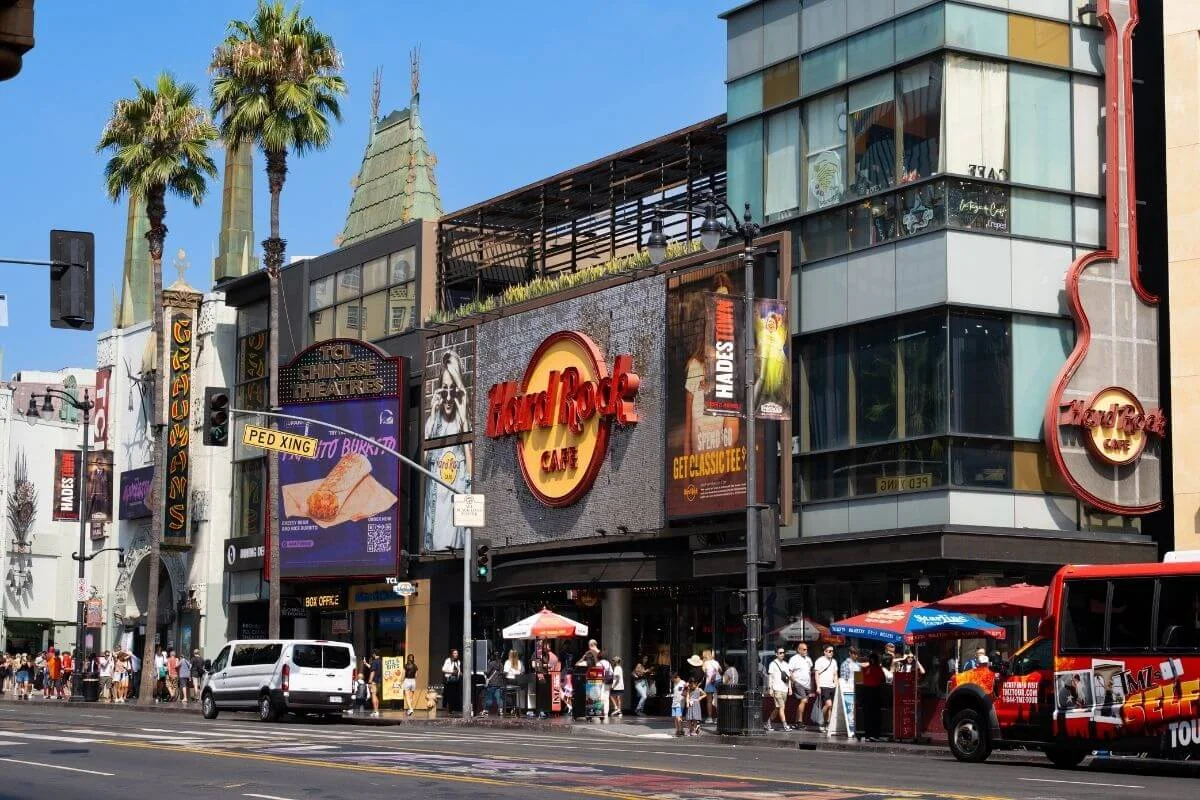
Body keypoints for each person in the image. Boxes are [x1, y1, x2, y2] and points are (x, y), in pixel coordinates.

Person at [859, 652, 886, 741]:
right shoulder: (878, 668)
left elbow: (859, 680)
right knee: (876, 714)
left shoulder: (864, 669)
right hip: (875, 692)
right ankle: (875, 735)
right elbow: (883, 679)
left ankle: (867, 735)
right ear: (876, 660)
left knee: (867, 715)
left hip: (865, 692)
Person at [788, 642, 814, 730]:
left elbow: (810, 672)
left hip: (807, 685)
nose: (806, 651)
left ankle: (796, 722)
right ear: (799, 650)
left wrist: (811, 687)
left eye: (806, 649)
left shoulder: (808, 659)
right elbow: (790, 671)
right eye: (804, 649)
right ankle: (800, 722)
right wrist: (794, 682)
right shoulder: (794, 659)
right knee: (803, 700)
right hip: (798, 683)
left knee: (803, 702)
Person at [765, 647, 792, 732]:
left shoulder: (786, 664)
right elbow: (770, 677)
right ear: (776, 654)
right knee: (782, 707)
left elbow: (788, 678)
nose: (782, 654)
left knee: (778, 708)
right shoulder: (773, 664)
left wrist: (790, 688)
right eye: (780, 653)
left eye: (783, 652)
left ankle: (768, 723)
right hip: (777, 689)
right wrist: (770, 689)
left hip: (784, 689)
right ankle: (785, 725)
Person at [813, 645, 838, 733]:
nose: (831, 652)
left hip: (832, 686)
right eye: (829, 651)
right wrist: (818, 686)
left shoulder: (834, 661)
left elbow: (835, 674)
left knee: (831, 707)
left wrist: (836, 685)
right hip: (824, 686)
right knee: (828, 704)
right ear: (825, 652)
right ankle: (821, 722)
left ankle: (828, 724)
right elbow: (816, 674)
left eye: (832, 651)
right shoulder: (819, 661)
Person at [503, 649, 524, 717]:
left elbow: (505, 673)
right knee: (515, 693)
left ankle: (510, 708)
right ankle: (516, 707)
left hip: (510, 681)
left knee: (507, 693)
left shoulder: (507, 662)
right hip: (517, 681)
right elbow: (522, 672)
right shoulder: (519, 662)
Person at [701, 649, 720, 723]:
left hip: (710, 682)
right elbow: (720, 670)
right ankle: (718, 718)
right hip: (718, 680)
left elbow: (705, 674)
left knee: (709, 701)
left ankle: (709, 718)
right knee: (717, 700)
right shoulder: (716, 662)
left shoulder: (705, 663)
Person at [442, 648, 462, 713]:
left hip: (456, 680)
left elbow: (458, 670)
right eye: (455, 653)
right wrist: (452, 671)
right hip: (449, 680)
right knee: (450, 695)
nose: (456, 654)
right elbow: (443, 669)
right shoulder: (448, 660)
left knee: (456, 695)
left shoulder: (458, 662)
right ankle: (450, 709)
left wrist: (460, 673)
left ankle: (455, 709)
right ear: (452, 654)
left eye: (457, 653)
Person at [670, 670, 686, 737]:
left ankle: (681, 730)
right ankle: (677, 730)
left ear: (676, 677)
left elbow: (686, 690)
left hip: (680, 702)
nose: (672, 680)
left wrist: (685, 697)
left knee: (678, 716)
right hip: (674, 702)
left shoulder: (682, 682)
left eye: (673, 679)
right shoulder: (675, 683)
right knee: (675, 718)